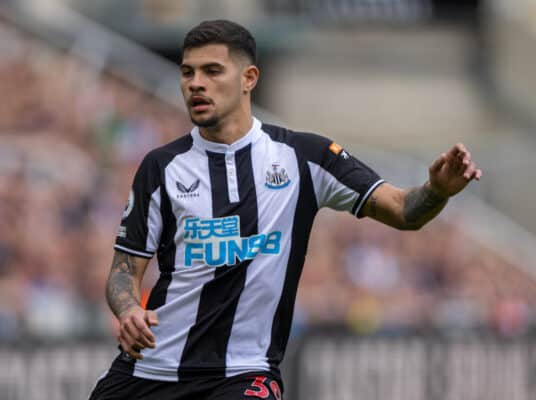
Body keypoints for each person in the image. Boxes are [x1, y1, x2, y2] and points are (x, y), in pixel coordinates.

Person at [89, 19, 482, 400]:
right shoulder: (161, 167)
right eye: (188, 72)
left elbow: (402, 211)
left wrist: (437, 189)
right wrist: (127, 310)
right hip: (150, 370)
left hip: (243, 373)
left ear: (249, 79)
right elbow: (124, 272)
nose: (196, 83)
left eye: (212, 71)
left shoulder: (304, 157)